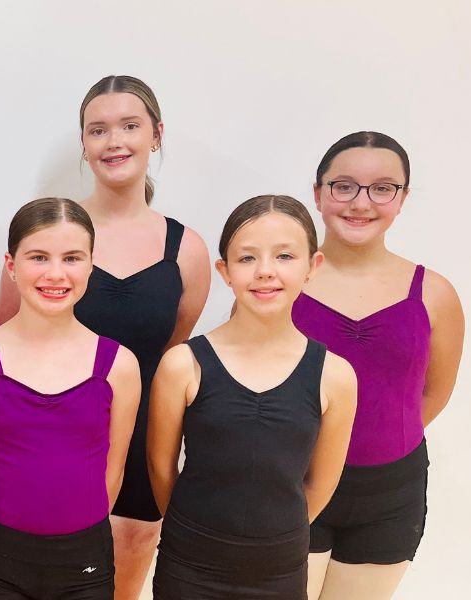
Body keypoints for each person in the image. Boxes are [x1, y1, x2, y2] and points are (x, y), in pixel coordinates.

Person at [0, 75, 211, 600]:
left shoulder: (186, 250)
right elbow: (3, 345)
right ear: (84, 143)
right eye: (98, 130)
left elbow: (172, 353)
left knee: (124, 574)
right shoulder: (46, 237)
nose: (114, 141)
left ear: (156, 135)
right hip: (47, 434)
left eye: (129, 126)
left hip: (141, 439)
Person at [148, 195, 357, 599]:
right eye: (247, 258)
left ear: (312, 266)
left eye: (284, 256)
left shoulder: (335, 376)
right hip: (189, 565)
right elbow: (160, 467)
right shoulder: (182, 365)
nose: (265, 271)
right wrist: (198, 533)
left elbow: (321, 484)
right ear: (224, 271)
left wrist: (269, 539)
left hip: (279, 570)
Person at [293, 132, 464, 600]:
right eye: (343, 185)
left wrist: (378, 443)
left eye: (382, 188)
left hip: (390, 498)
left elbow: (434, 393)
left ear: (402, 199)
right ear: (318, 193)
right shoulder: (280, 285)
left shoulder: (434, 294)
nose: (360, 203)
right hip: (293, 486)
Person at [0, 197, 140, 599]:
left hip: (84, 560)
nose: (56, 274)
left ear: (91, 265)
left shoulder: (119, 366)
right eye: (38, 257)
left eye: (72, 258)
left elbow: (113, 472)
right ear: (11, 265)